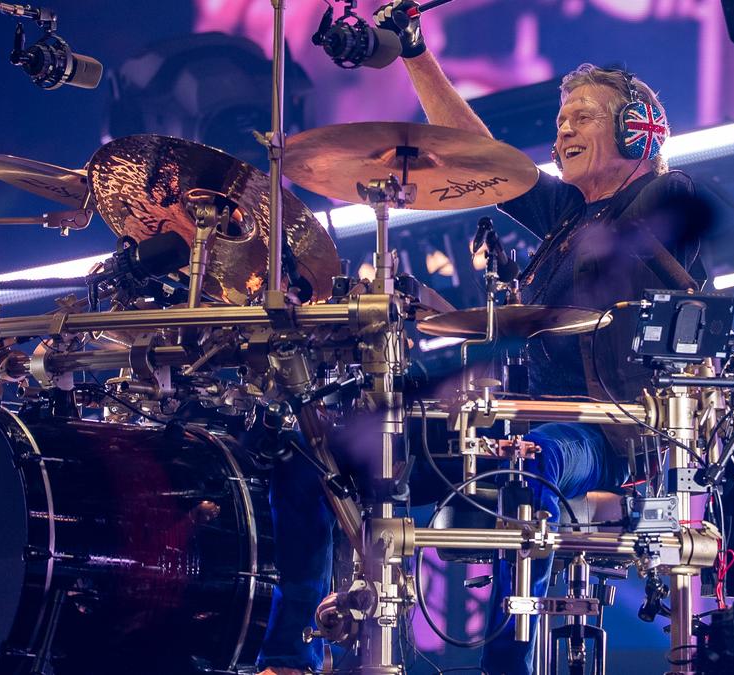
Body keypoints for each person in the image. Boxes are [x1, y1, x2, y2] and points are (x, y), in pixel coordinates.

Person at [256, 3, 706, 673]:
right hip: (518, 416)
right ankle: (289, 654)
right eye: (561, 119)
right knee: (318, 457)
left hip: (605, 434)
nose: (563, 129)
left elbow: (584, 223)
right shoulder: (568, 216)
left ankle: (506, 664)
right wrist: (415, 53)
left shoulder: (666, 194)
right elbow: (483, 158)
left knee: (531, 463)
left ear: (637, 130)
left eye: (583, 117)